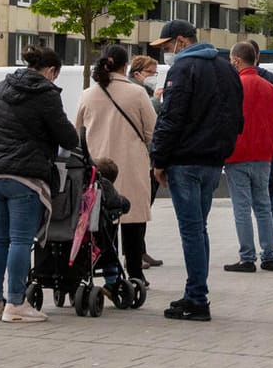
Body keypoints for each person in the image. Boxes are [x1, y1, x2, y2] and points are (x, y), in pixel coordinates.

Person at [0, 44, 78, 324]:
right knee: (20, 240)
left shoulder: (0, 87)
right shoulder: (46, 93)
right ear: (52, 71)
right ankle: (16, 304)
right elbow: (67, 137)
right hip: (24, 176)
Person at [150, 20, 243, 321]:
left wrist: (159, 160)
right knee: (199, 228)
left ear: (180, 41)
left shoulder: (183, 69)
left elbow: (171, 118)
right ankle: (194, 292)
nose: (166, 54)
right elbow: (236, 117)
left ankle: (197, 298)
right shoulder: (226, 67)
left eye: (166, 47)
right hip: (213, 161)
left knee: (191, 230)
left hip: (185, 160)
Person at [75, 45, 157, 287]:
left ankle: (109, 270)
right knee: (132, 220)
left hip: (98, 167)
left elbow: (77, 130)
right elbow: (152, 131)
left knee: (102, 221)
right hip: (131, 165)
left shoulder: (88, 94)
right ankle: (134, 272)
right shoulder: (138, 93)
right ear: (125, 66)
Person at [224, 42, 273, 273]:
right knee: (263, 206)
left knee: (242, 207)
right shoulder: (270, 88)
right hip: (264, 155)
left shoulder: (234, 86)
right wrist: (271, 150)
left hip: (238, 155)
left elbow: (226, 121)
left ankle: (247, 257)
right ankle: (269, 255)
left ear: (237, 60)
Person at [239, 41, 273, 256]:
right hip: (267, 147)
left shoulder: (237, 79)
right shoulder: (269, 79)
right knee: (271, 190)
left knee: (243, 202)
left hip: (242, 148)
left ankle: (247, 251)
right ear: (258, 55)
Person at [127, 54, 164, 268]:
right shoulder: (140, 93)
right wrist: (155, 102)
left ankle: (140, 250)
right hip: (143, 159)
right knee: (140, 208)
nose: (154, 76)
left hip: (143, 158)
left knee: (142, 208)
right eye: (151, 72)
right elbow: (150, 124)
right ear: (138, 73)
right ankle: (136, 253)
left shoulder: (144, 91)